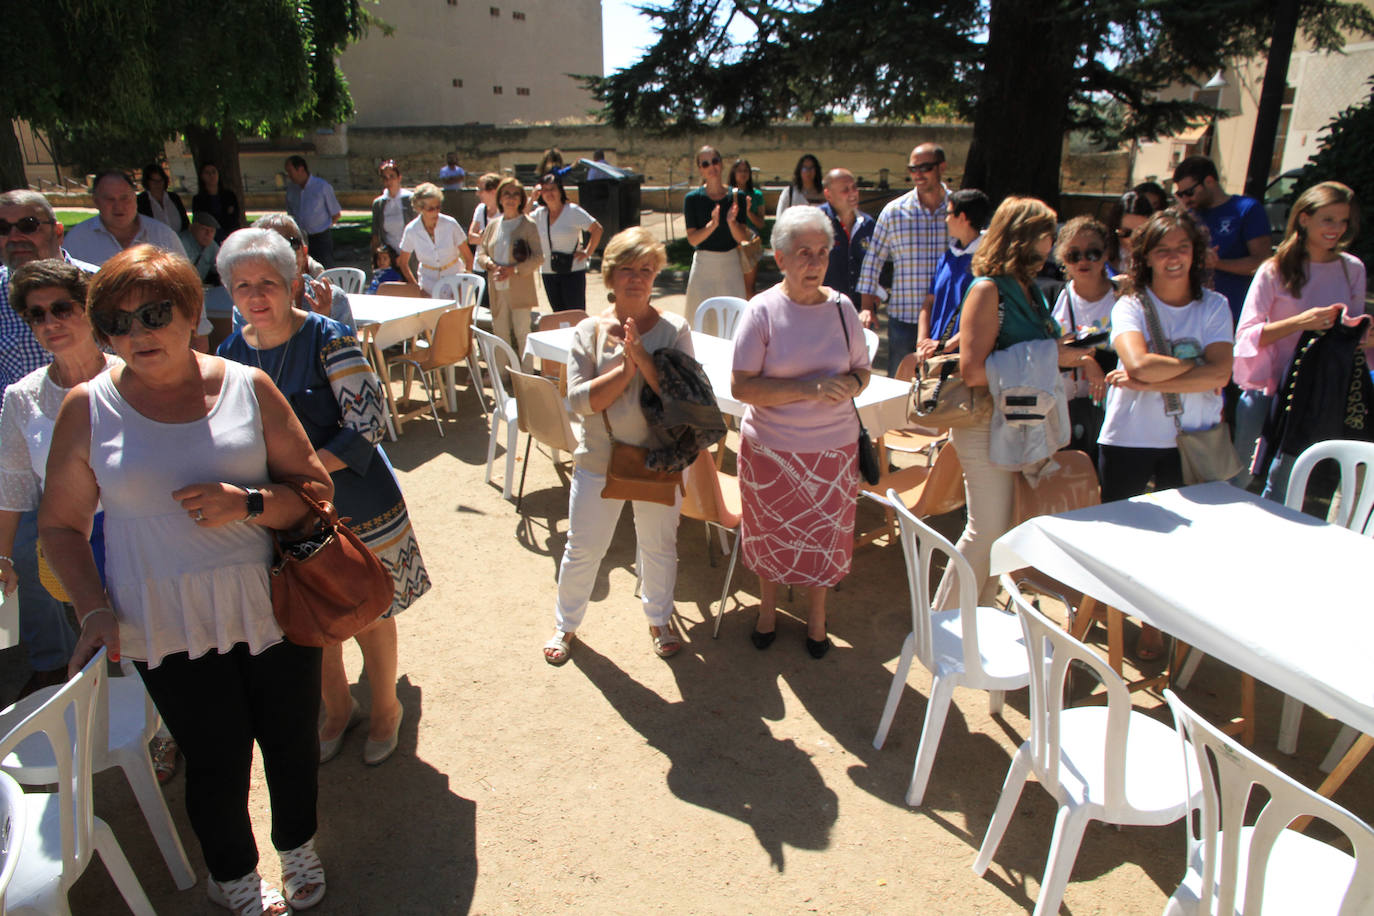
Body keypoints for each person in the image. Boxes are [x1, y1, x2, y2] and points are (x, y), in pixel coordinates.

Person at [41, 244, 334, 915]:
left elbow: (315, 490)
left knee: (291, 744)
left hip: (273, 601)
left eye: (153, 313)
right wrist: (92, 608)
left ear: (192, 311)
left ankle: (297, 847)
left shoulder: (246, 386)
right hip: (164, 621)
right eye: (117, 323)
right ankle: (230, 874)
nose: (137, 334)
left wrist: (249, 503)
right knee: (215, 760)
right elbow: (60, 526)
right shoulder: (87, 409)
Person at [217, 228, 430, 767]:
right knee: (310, 615)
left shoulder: (327, 336)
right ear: (229, 291)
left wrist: (296, 475)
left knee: (370, 610)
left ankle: (386, 709)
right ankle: (337, 710)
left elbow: (367, 425)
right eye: (243, 285)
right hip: (284, 515)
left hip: (355, 502)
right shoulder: (229, 354)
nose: (256, 295)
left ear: (292, 283)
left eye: (268, 281)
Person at [935, 197, 1102, 609]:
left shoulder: (1029, 289)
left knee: (1003, 529)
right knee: (986, 530)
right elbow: (973, 371)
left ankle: (979, 615)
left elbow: (1028, 348)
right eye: (1049, 233)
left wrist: (1071, 351)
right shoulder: (989, 289)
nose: (1053, 242)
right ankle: (944, 625)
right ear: (1024, 236)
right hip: (983, 424)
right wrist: (1053, 356)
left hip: (1016, 420)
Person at [541, 227, 691, 666]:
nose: (637, 278)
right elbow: (579, 402)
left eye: (646, 269)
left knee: (659, 546)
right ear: (609, 276)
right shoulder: (588, 332)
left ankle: (659, 619)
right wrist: (625, 371)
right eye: (627, 269)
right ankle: (565, 625)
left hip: (659, 459)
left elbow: (683, 401)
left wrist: (643, 359)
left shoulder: (675, 329)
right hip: (599, 459)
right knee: (583, 547)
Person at [731, 207, 871, 658]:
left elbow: (862, 372)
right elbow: (742, 386)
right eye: (803, 253)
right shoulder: (762, 311)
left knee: (824, 539)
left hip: (832, 452)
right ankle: (767, 610)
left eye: (823, 253)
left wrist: (849, 384)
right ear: (780, 257)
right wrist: (807, 388)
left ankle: (816, 618)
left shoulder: (843, 308)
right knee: (770, 533)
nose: (814, 263)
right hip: (771, 451)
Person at [1098, 208, 1234, 658]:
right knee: (1120, 536)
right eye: (1163, 250)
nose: (1174, 258)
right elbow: (1137, 363)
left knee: (1175, 547)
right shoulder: (1130, 305)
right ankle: (1108, 611)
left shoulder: (1215, 306)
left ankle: (1153, 623)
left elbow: (1223, 373)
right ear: (1147, 257)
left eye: (1182, 248)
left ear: (1196, 253)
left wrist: (1151, 381)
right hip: (1129, 438)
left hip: (1190, 439)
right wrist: (1194, 370)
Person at [0, 190, 97, 697]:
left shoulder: (95, 281)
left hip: (114, 494)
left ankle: (159, 722)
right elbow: (13, 483)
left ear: (56, 230)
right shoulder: (23, 396)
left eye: (28, 223)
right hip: (28, 444)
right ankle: (54, 667)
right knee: (27, 561)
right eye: (4, 226)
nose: (15, 235)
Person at [1233, 181, 1367, 497]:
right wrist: (1300, 322)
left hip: (1315, 393)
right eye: (1328, 219)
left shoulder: (1352, 269)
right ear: (1304, 218)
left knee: (1285, 480)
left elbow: (1354, 336)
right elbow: (1247, 335)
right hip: (1266, 386)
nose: (1336, 228)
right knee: (1239, 474)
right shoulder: (1274, 269)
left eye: (1343, 220)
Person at [857, 143, 951, 375]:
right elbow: (873, 261)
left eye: (925, 167)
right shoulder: (894, 211)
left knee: (943, 389)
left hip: (947, 317)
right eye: (913, 169)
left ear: (942, 167)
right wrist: (867, 308)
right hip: (905, 316)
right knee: (900, 384)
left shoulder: (957, 209)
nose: (918, 174)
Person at [1048, 215, 1116, 460]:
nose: (1083, 261)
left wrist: (1079, 354)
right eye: (1073, 255)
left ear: (1106, 254)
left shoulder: (1123, 297)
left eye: (1093, 253)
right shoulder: (1059, 296)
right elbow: (1050, 352)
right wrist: (1088, 361)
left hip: (1114, 409)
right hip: (1066, 406)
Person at [1172, 155, 1271, 324]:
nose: (1186, 199)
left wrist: (1217, 263)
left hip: (1234, 312)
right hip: (1192, 313)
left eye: (1189, 192)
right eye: (1180, 194)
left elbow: (1263, 263)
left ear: (1210, 181)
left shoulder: (1246, 209)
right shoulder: (1187, 216)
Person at [243, 214, 355, 331]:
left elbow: (348, 347)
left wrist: (322, 321)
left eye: (291, 243)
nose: (284, 253)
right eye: (270, 247)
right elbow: (253, 348)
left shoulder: (334, 299)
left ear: (304, 252)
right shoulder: (248, 306)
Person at [915, 188, 991, 360]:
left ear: (963, 218)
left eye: (949, 213)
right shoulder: (948, 256)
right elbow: (929, 302)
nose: (946, 219)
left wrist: (948, 345)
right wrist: (922, 342)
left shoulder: (986, 262)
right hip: (932, 353)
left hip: (962, 359)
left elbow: (985, 318)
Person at [476, 178, 544, 360]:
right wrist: (490, 265)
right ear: (499, 198)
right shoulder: (493, 225)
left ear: (521, 198)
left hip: (520, 287)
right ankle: (503, 373)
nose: (511, 198)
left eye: (515, 194)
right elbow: (480, 253)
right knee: (500, 332)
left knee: (522, 332)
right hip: (497, 287)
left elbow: (538, 257)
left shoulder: (528, 225)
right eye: (506, 193)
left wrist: (513, 270)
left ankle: (526, 377)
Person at [683, 145, 749, 328]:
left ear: (721, 163)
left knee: (734, 322)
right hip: (704, 266)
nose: (711, 166)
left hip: (730, 265)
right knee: (700, 320)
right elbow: (693, 239)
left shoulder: (737, 197)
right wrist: (712, 226)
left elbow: (742, 238)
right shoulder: (692, 199)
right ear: (700, 170)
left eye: (714, 161)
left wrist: (731, 222)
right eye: (705, 163)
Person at [64, 170, 186, 266]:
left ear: (135, 198)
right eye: (109, 199)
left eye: (124, 198)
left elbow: (187, 283)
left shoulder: (163, 235)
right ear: (96, 201)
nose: (119, 206)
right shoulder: (77, 240)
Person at [532, 172, 602, 313]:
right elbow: (521, 221)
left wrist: (587, 252)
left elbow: (597, 229)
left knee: (575, 314)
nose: (549, 193)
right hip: (548, 270)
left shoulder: (572, 211)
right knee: (558, 314)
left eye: (553, 189)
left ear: (560, 191)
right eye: (545, 190)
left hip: (572, 270)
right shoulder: (539, 214)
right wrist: (531, 198)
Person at [397, 182, 473, 296]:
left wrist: (463, 285)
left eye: (438, 207)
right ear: (420, 208)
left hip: (456, 281)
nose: (436, 212)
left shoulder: (450, 224)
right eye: (431, 209)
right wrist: (417, 289)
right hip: (428, 285)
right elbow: (403, 263)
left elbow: (469, 258)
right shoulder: (412, 230)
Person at [818, 167, 876, 311]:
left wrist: (872, 302)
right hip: (824, 308)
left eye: (854, 188)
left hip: (860, 310)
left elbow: (875, 266)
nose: (852, 194)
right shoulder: (816, 221)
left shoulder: (867, 224)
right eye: (845, 190)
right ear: (828, 194)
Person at [283, 155, 342, 269]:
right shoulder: (291, 190)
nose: (289, 176)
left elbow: (336, 213)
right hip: (299, 239)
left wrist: (322, 228)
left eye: (290, 171)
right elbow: (290, 214)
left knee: (325, 269)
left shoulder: (322, 187)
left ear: (300, 169)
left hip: (320, 238)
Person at [730, 158, 767, 298]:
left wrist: (747, 211)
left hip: (749, 243)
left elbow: (761, 224)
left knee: (748, 287)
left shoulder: (757, 195)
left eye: (746, 170)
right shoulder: (727, 193)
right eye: (739, 170)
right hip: (731, 243)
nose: (743, 174)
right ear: (733, 172)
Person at [1104, 188, 1162, 277]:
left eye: (1140, 233)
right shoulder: (1099, 259)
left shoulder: (1158, 264)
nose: (1132, 239)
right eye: (1126, 232)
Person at [370, 159, 414, 253]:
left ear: (399, 178)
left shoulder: (410, 199)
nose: (388, 181)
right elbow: (375, 234)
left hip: (410, 253)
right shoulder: (378, 204)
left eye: (392, 176)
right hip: (389, 255)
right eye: (385, 178)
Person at [192, 161, 242, 243]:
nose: (211, 175)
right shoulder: (198, 199)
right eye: (207, 173)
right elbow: (201, 221)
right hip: (211, 239)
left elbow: (234, 218)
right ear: (202, 176)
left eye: (213, 172)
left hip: (231, 236)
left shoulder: (229, 195)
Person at [136, 162, 190, 234]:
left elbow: (185, 223)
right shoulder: (141, 201)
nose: (158, 184)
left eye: (160, 180)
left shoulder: (174, 198)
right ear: (147, 182)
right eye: (154, 181)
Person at [181, 211, 222, 285]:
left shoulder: (211, 245)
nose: (208, 234)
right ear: (191, 228)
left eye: (212, 231)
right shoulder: (181, 242)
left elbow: (222, 266)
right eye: (204, 229)